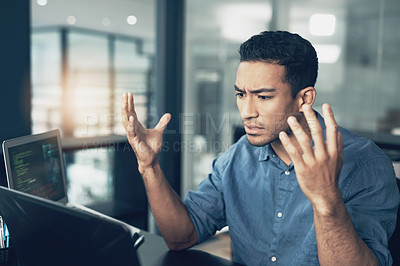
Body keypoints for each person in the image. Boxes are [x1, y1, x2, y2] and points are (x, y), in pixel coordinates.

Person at [121, 31, 399, 265]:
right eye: (241, 94)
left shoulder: (365, 163)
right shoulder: (236, 157)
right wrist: (149, 166)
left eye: (263, 97)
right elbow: (181, 236)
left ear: (305, 98)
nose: (246, 111)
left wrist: (326, 202)